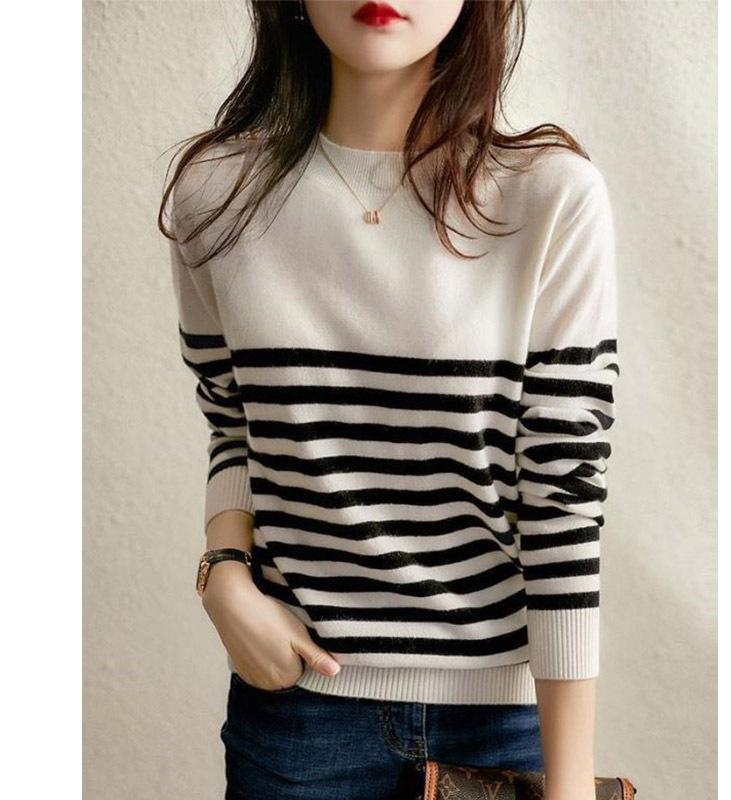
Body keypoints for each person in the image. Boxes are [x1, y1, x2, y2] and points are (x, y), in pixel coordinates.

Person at [159, 2, 619, 799]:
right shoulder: (218, 192)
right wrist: (223, 573)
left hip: (503, 721)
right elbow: (234, 419)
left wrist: (570, 784)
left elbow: (563, 493)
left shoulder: (548, 198)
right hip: (297, 714)